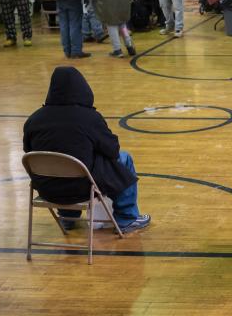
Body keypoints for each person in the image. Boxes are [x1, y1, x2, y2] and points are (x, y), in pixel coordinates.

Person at [23, 66, 151, 233]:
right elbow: (112, 150)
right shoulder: (89, 118)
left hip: (47, 189)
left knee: (61, 166)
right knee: (124, 158)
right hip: (83, 189)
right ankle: (126, 218)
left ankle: (67, 217)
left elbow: (28, 151)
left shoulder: (34, 119)